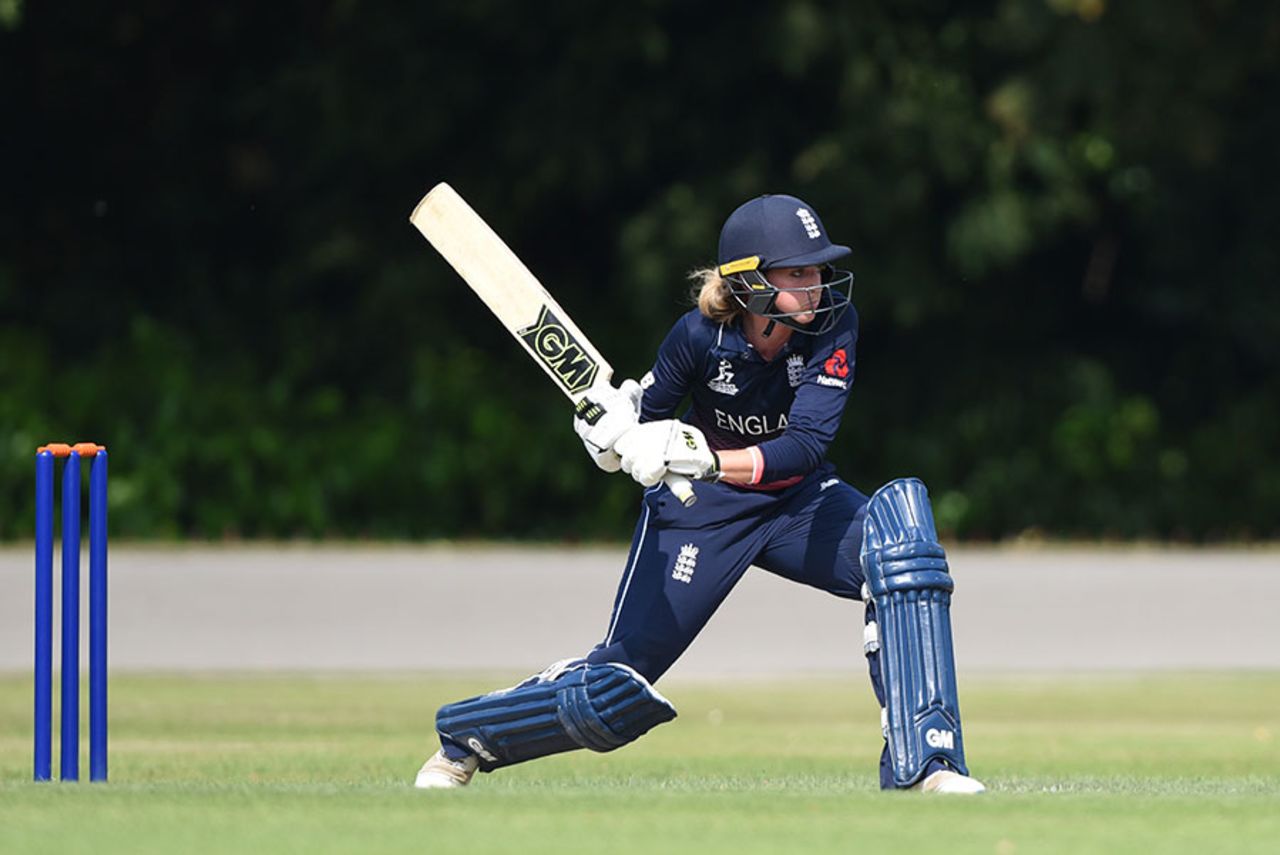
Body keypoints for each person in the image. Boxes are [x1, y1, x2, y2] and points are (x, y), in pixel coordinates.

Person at [414, 193, 985, 794]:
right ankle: (466, 738)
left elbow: (804, 447)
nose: (817, 285)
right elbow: (645, 426)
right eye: (798, 272)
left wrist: (709, 457)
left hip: (798, 501)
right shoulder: (697, 336)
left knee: (903, 555)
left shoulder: (834, 327)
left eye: (819, 269)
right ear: (751, 283)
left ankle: (927, 765)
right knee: (617, 684)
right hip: (697, 514)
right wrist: (610, 438)